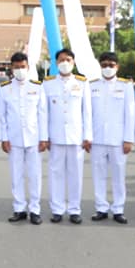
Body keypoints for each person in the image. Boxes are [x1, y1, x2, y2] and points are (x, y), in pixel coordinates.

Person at [43, 48, 92, 224]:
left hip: (76, 136)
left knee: (75, 175)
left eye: (68, 60)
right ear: (56, 63)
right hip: (55, 136)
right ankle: (57, 209)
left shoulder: (82, 82)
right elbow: (44, 112)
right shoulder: (48, 83)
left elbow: (87, 111)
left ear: (73, 62)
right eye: (61, 60)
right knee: (55, 173)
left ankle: (74, 209)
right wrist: (45, 136)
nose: (65, 63)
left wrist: (87, 136)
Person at [0, 52, 48, 224]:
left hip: (34, 137)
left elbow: (42, 114)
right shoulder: (4, 89)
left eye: (23, 67)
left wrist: (44, 138)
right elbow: (2, 116)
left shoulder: (37, 87)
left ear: (28, 67)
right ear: (11, 68)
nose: (20, 70)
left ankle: (35, 209)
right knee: (16, 175)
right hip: (14, 138)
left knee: (34, 175)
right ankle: (19, 208)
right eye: (16, 67)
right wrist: (4, 138)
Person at [88, 51, 135, 224]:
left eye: (111, 65)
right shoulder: (91, 85)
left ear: (117, 67)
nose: (107, 68)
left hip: (118, 139)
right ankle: (101, 208)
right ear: (100, 66)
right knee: (98, 175)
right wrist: (87, 137)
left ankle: (118, 209)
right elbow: (87, 114)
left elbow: (130, 114)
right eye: (104, 65)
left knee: (118, 176)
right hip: (97, 138)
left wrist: (128, 139)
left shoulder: (126, 86)